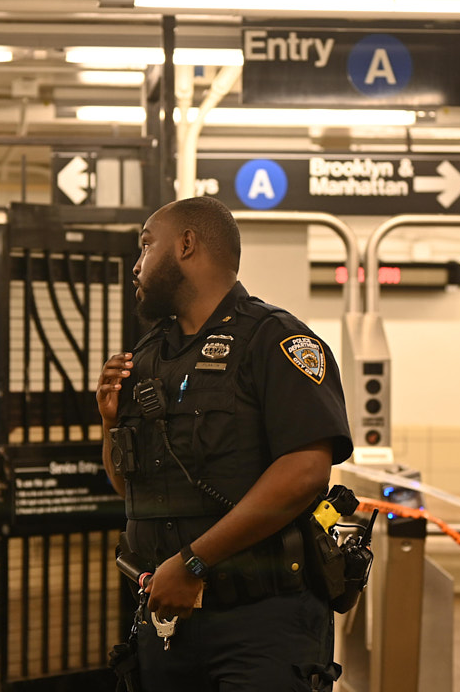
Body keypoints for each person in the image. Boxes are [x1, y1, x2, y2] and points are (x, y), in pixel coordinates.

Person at [96, 196, 353, 691]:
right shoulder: (146, 356)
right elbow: (132, 490)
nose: (137, 263)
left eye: (147, 245)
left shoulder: (277, 342)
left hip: (261, 625)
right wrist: (110, 424)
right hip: (166, 623)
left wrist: (195, 561)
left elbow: (305, 472)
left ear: (187, 245)